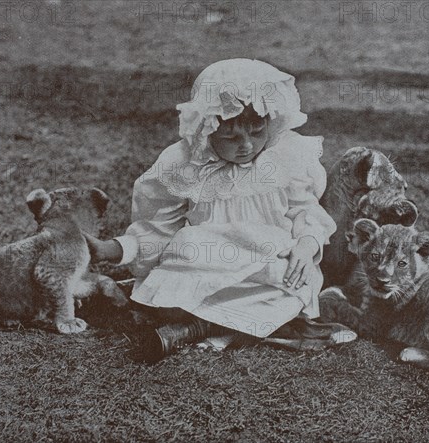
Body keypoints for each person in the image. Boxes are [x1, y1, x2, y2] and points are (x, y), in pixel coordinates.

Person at [86, 59, 338, 362]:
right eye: (230, 138)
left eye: (257, 132)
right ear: (206, 130)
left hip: (268, 263)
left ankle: (196, 329)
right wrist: (113, 249)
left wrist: (306, 244)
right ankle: (222, 325)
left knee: (296, 280)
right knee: (186, 253)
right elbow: (159, 227)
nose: (246, 146)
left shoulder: (284, 156)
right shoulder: (186, 164)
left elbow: (305, 210)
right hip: (208, 259)